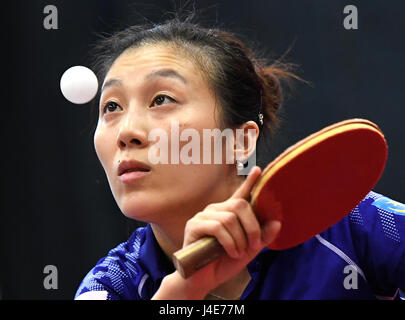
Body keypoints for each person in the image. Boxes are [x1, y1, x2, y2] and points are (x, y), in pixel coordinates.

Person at [74, 15, 405, 300]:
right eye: (111, 107)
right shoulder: (111, 286)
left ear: (240, 140)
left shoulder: (351, 223)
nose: (125, 131)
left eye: (161, 99)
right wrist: (182, 294)